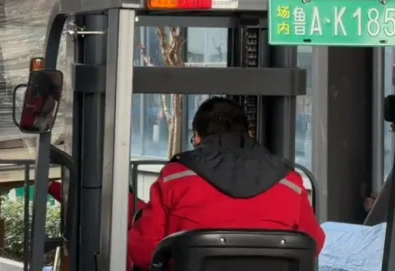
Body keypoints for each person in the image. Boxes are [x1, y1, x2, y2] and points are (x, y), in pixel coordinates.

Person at [127, 97, 325, 269]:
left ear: (197, 137)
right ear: (250, 134)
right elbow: (313, 243)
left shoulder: (175, 177)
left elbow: (144, 251)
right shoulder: (289, 181)